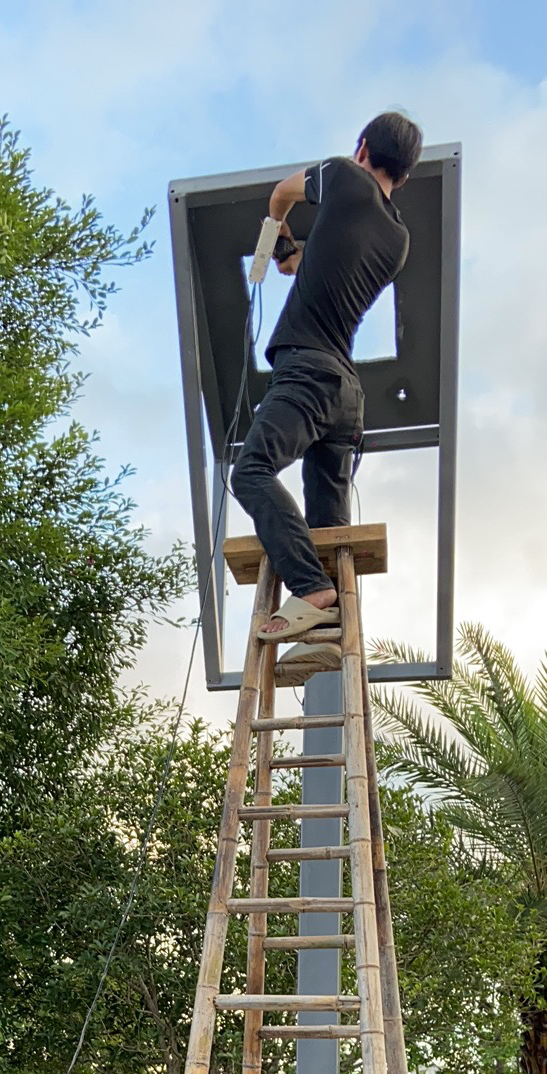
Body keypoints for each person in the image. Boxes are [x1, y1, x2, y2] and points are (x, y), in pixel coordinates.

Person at [231, 112, 422, 682]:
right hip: (347, 400)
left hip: (309, 373)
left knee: (251, 472)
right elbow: (327, 262)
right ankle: (324, 639)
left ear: (361, 147)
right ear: (405, 176)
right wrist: (297, 258)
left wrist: (278, 229)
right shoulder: (397, 241)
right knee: (326, 530)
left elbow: (282, 192)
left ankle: (310, 590)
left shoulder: (343, 174)